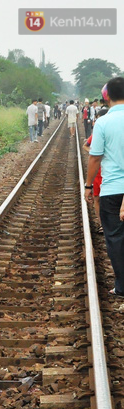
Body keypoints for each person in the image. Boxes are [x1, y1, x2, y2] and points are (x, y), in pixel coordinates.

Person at [85, 76, 124, 298]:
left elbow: (95, 158)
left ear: (106, 96)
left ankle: (122, 286)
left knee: (116, 238)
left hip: (111, 190)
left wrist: (89, 186)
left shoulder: (103, 122)